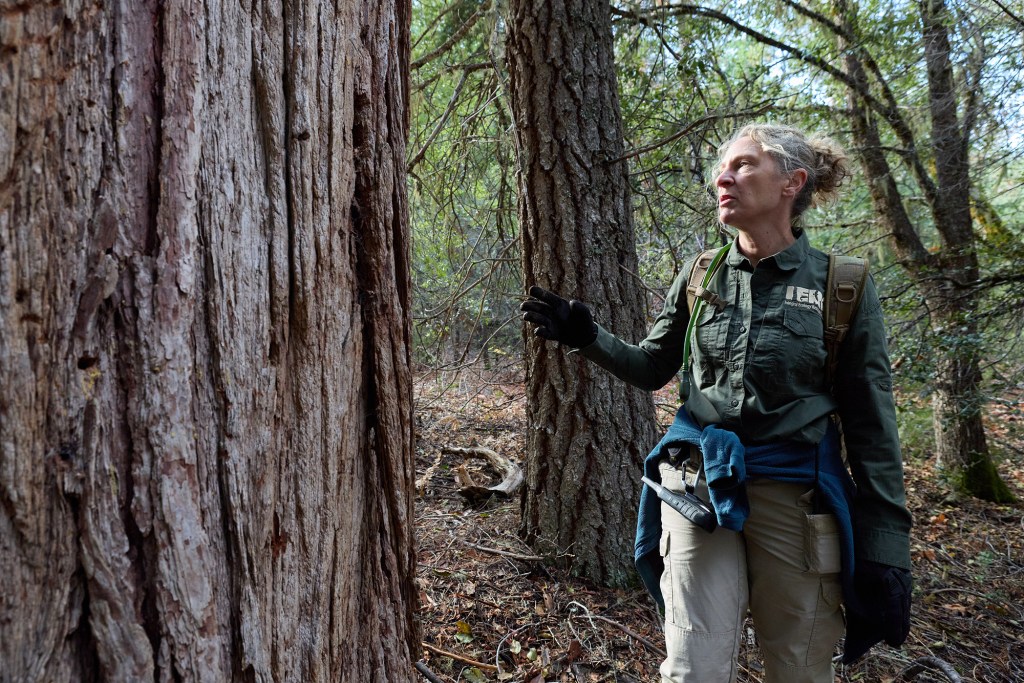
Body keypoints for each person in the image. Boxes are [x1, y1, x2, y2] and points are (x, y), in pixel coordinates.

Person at [521, 123, 912, 683]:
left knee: (799, 668)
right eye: (721, 168)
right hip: (697, 491)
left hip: (796, 501)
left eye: (743, 165)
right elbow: (652, 366)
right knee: (691, 668)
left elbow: (873, 424)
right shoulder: (701, 272)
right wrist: (586, 336)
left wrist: (886, 545)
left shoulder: (841, 285)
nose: (722, 178)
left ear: (792, 183)